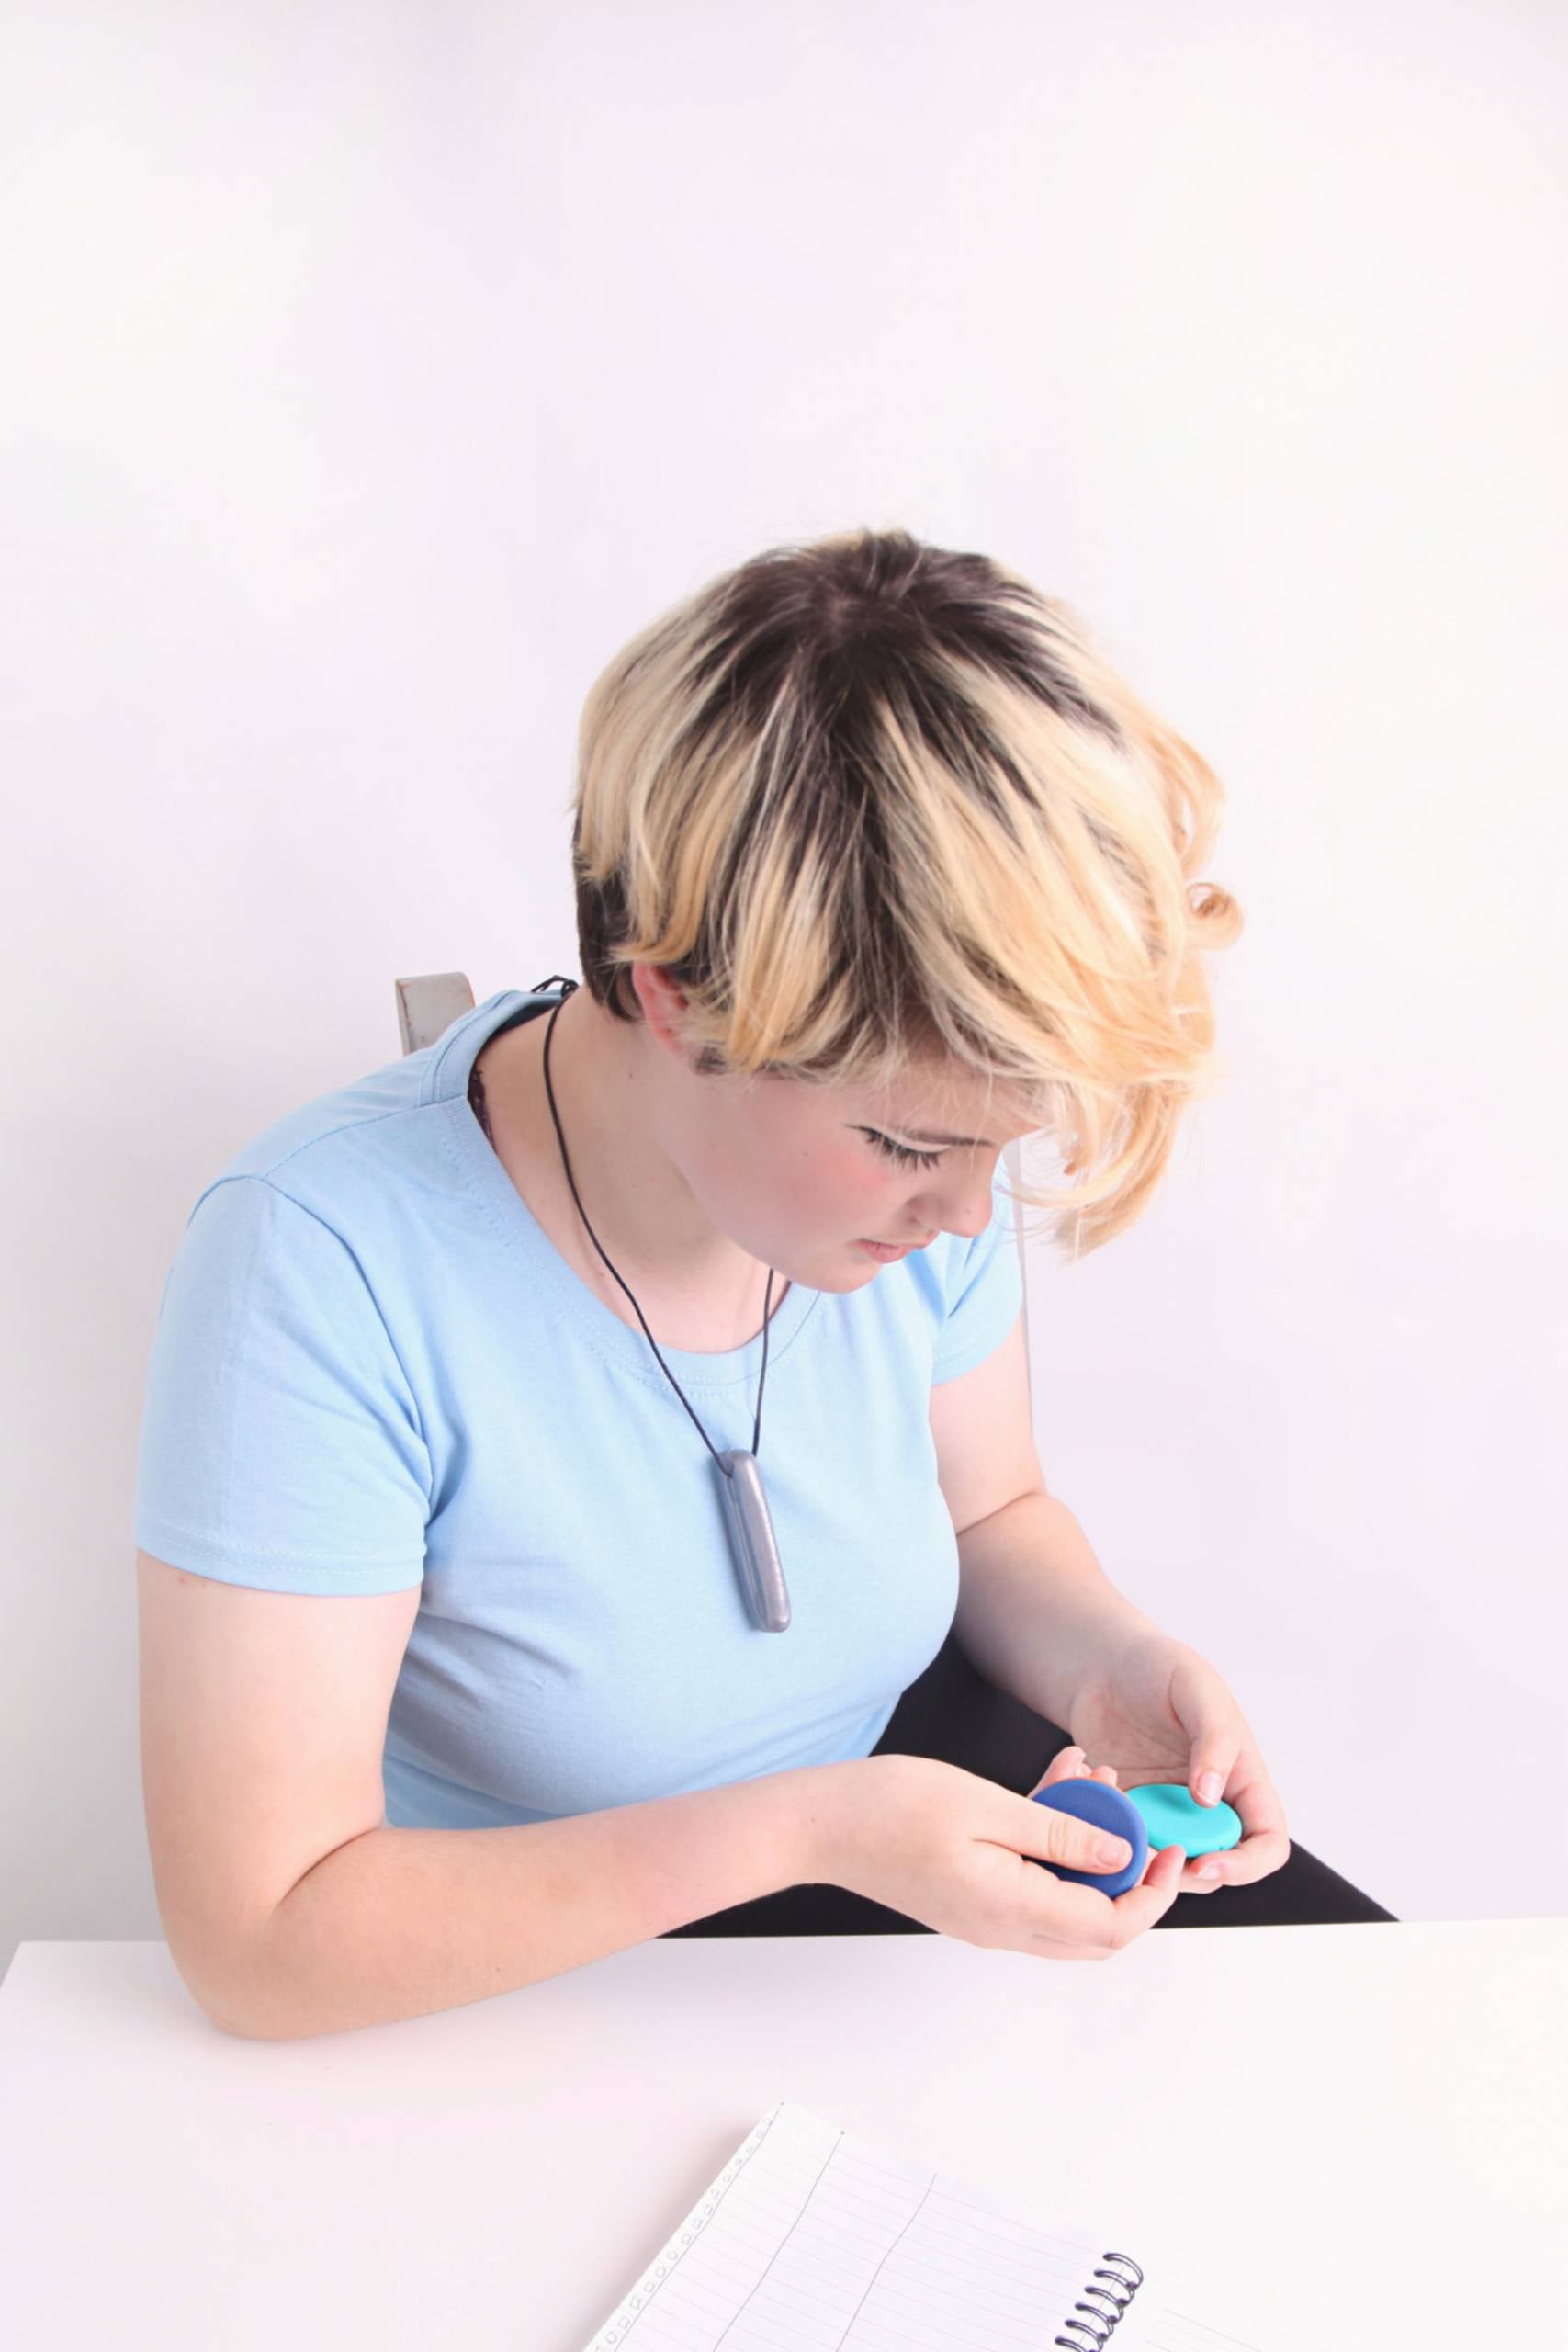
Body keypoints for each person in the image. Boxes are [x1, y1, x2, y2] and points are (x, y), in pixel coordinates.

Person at [135, 528, 1392, 2048]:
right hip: (527, 1992)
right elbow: (259, 1942)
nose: (966, 1215)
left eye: (999, 1145)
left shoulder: (916, 1182)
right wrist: (815, 1833)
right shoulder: (316, 1262)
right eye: (906, 1145)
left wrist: (1110, 1666)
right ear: (673, 996)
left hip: (896, 1860)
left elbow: (990, 1510)